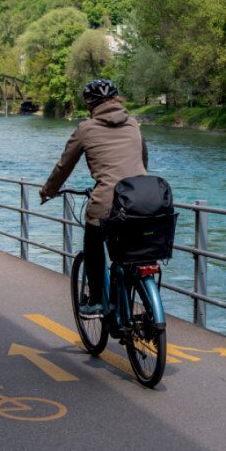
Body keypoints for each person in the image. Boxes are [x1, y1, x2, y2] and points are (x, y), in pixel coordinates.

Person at [40, 79, 148, 315]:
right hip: (144, 198)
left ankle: (97, 299)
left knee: (93, 238)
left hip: (109, 201)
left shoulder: (86, 129)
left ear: (89, 104)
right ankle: (134, 295)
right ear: (117, 99)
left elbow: (64, 166)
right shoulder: (133, 124)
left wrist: (48, 191)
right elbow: (142, 161)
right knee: (131, 250)